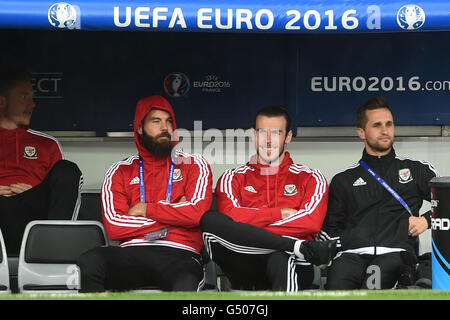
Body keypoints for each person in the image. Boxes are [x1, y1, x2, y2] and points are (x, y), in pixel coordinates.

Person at [77, 95, 213, 292]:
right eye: (156, 121)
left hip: (180, 254)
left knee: (185, 285)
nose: (165, 128)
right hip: (132, 253)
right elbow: (115, 226)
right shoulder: (120, 170)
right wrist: (176, 215)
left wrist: (146, 209)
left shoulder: (194, 164)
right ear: (140, 128)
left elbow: (197, 214)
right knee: (90, 262)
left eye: (169, 121)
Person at [201, 106, 336, 292]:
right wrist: (278, 214)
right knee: (210, 220)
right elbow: (228, 218)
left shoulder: (311, 177)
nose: (268, 140)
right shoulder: (232, 177)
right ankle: (296, 245)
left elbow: (310, 223)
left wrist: (248, 230)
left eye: (276, 133)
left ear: (288, 137)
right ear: (253, 135)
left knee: (280, 257)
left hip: (293, 262)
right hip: (244, 263)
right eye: (262, 132)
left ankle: (291, 249)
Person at [318, 96, 438, 290]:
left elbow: (446, 202)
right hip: (350, 256)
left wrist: (426, 220)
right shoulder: (343, 180)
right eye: (377, 125)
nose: (385, 130)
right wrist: (348, 241)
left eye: (389, 124)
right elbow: (328, 231)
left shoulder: (417, 170)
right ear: (361, 132)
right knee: (336, 285)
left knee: (374, 282)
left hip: (394, 254)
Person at [0, 69, 83, 256]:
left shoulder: (47, 143)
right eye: (23, 97)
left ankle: (56, 249)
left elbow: (60, 190)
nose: (32, 104)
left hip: (32, 217)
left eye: (32, 98)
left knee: (67, 169)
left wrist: (33, 191)